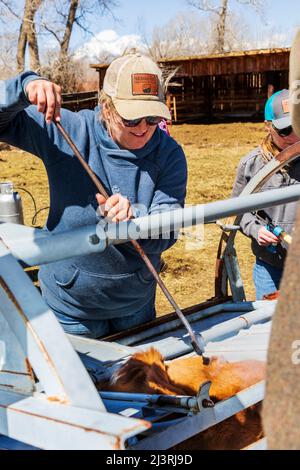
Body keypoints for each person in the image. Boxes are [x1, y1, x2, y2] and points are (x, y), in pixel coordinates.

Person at [0, 53, 187, 338]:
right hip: (70, 307)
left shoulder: (169, 154)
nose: (143, 129)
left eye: (153, 118)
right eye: (132, 118)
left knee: (136, 383)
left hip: (135, 305)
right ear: (107, 106)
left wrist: (135, 220)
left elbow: (169, 226)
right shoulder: (69, 130)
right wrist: (24, 87)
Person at [232, 89, 300, 300]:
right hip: (271, 267)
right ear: (268, 126)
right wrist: (256, 229)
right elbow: (238, 211)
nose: (294, 136)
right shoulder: (252, 165)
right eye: (285, 130)